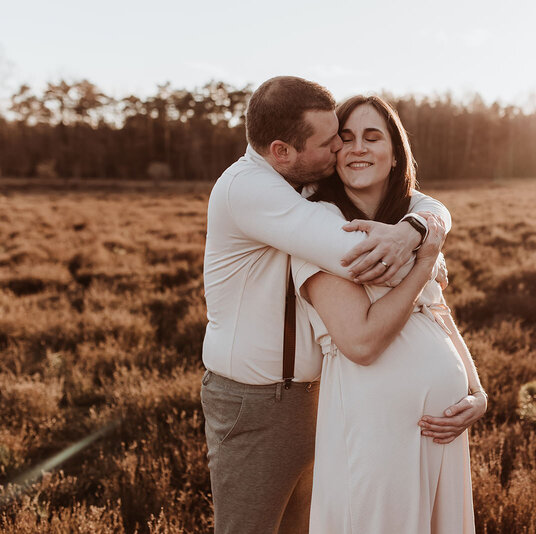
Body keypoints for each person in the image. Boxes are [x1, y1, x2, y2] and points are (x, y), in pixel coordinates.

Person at [200, 77, 456, 534]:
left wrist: (416, 226)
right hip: (258, 402)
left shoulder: (303, 185)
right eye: (329, 141)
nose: (341, 147)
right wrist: (424, 256)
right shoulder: (251, 191)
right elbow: (359, 257)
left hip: (315, 395)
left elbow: (427, 202)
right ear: (282, 151)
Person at [292, 95, 487, 534]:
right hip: (374, 427)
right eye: (346, 138)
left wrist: (476, 391)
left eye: (372, 136)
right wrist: (424, 261)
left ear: (395, 153)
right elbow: (360, 342)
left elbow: (437, 310)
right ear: (332, 152)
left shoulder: (410, 220)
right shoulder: (319, 229)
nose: (358, 147)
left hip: (442, 431)